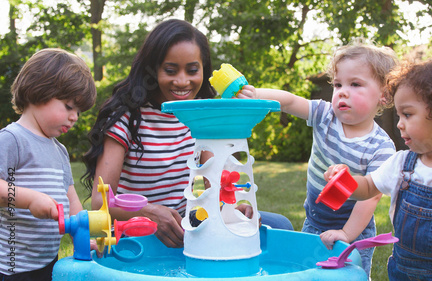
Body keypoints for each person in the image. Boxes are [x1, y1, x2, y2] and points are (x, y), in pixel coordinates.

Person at [82, 19, 292, 249]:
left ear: (204, 70)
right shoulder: (127, 118)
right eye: (170, 70)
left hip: (182, 227)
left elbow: (217, 188)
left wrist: (231, 209)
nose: (182, 81)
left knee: (279, 224)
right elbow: (99, 202)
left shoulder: (201, 116)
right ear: (152, 69)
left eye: (192, 70)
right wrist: (151, 214)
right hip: (135, 231)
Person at [324, 58, 432, 280]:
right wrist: (345, 180)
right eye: (398, 115)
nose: (399, 123)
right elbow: (368, 186)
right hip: (403, 272)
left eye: (407, 114)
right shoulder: (402, 163)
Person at [238, 40, 398, 277]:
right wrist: (257, 95)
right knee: (308, 273)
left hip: (354, 231)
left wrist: (346, 234)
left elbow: (370, 198)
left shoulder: (381, 146)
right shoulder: (325, 115)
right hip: (314, 221)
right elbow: (291, 101)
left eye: (355, 84)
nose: (342, 91)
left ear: (383, 95)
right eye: (338, 84)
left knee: (345, 275)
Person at [0, 48, 97, 280]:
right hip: (13, 265)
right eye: (68, 106)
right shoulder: (12, 139)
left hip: (47, 259)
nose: (75, 117)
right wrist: (30, 199)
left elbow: (71, 199)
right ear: (38, 92)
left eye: (79, 111)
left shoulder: (59, 150)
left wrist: (81, 235)